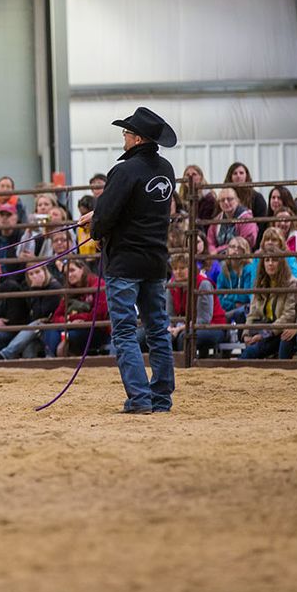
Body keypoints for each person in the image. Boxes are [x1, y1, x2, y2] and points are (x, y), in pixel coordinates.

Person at [83, 106, 177, 414]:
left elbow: (107, 217)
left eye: (125, 133)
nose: (123, 138)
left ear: (136, 138)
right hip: (155, 261)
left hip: (124, 263)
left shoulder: (123, 171)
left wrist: (94, 226)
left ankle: (139, 398)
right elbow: (138, 210)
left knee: (124, 331)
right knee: (157, 329)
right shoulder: (165, 169)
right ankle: (161, 397)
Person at [238, 246, 297, 359]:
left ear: (281, 263)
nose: (270, 263)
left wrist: (263, 335)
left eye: (274, 260)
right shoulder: (261, 284)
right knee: (242, 319)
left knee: (250, 352)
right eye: (267, 260)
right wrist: (246, 334)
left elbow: (289, 316)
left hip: (278, 331)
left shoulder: (291, 284)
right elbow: (253, 313)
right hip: (264, 326)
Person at [205, 187, 257, 254]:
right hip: (218, 258)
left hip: (240, 257)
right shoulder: (217, 219)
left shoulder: (246, 218)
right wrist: (212, 252)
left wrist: (218, 251)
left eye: (229, 199)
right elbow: (210, 241)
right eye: (222, 200)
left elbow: (245, 242)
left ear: (237, 200)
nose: (226, 202)